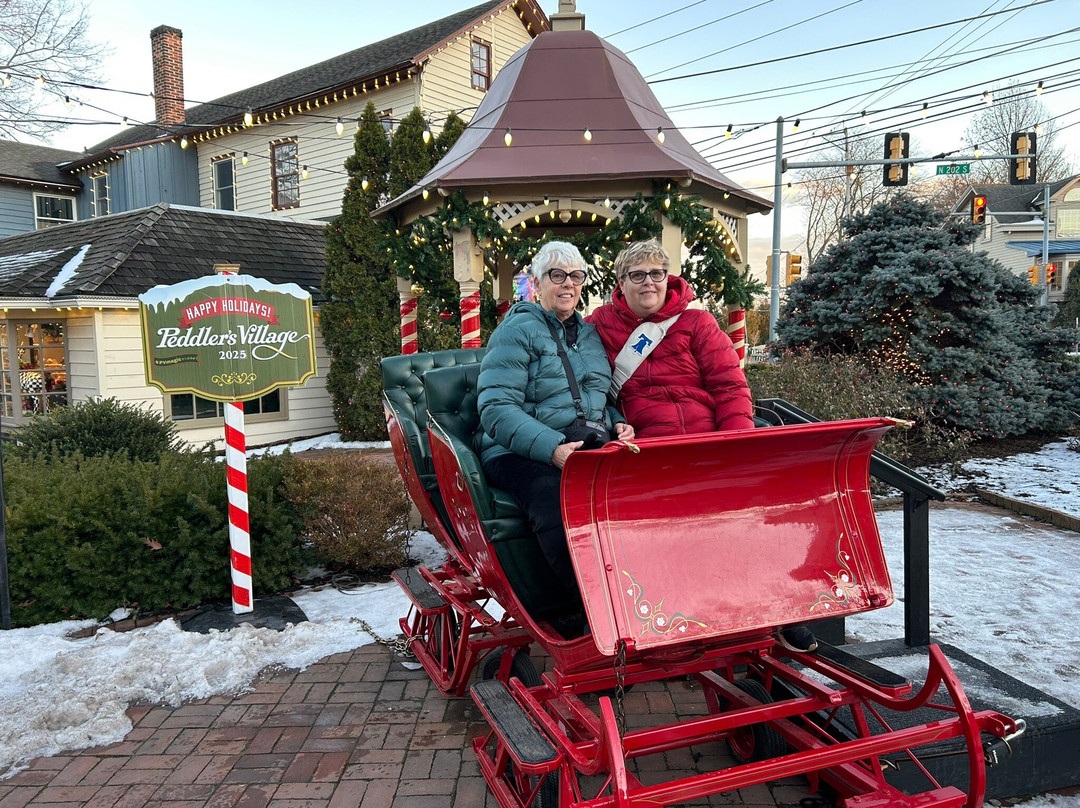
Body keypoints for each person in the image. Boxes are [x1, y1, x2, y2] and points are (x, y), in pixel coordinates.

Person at [587, 239, 816, 653]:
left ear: (668, 277)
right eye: (637, 275)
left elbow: (730, 387)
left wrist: (736, 445)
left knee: (749, 514)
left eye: (656, 273)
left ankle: (780, 608)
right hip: (647, 448)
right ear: (621, 283)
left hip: (707, 441)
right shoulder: (598, 326)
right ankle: (666, 612)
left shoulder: (698, 323)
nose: (648, 283)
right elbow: (588, 388)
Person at [477, 241, 634, 627]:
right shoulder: (517, 331)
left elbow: (592, 397)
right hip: (518, 450)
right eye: (557, 275)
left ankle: (638, 599)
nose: (568, 284)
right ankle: (588, 610)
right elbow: (496, 409)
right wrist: (553, 450)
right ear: (537, 282)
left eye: (576, 276)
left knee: (636, 494)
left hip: (584, 443)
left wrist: (616, 421)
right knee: (554, 500)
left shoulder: (590, 335)